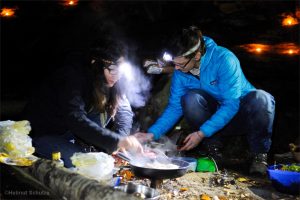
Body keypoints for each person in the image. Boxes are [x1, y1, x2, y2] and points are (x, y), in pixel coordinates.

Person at [139, 26, 275, 175]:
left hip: (240, 114)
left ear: (196, 56)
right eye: (174, 64)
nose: (176, 69)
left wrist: (201, 133)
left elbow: (231, 104)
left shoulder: (224, 59)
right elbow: (174, 107)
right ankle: (214, 151)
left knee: (262, 98)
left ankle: (259, 155)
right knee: (190, 98)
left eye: (180, 64)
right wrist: (152, 134)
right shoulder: (181, 72)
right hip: (213, 118)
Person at [23, 38, 143, 167]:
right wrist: (116, 141)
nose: (117, 75)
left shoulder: (114, 75)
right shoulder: (72, 76)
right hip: (48, 132)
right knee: (87, 165)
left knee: (99, 155)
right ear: (95, 63)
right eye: (113, 69)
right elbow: (74, 118)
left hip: (76, 133)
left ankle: (90, 147)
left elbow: (124, 111)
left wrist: (120, 140)